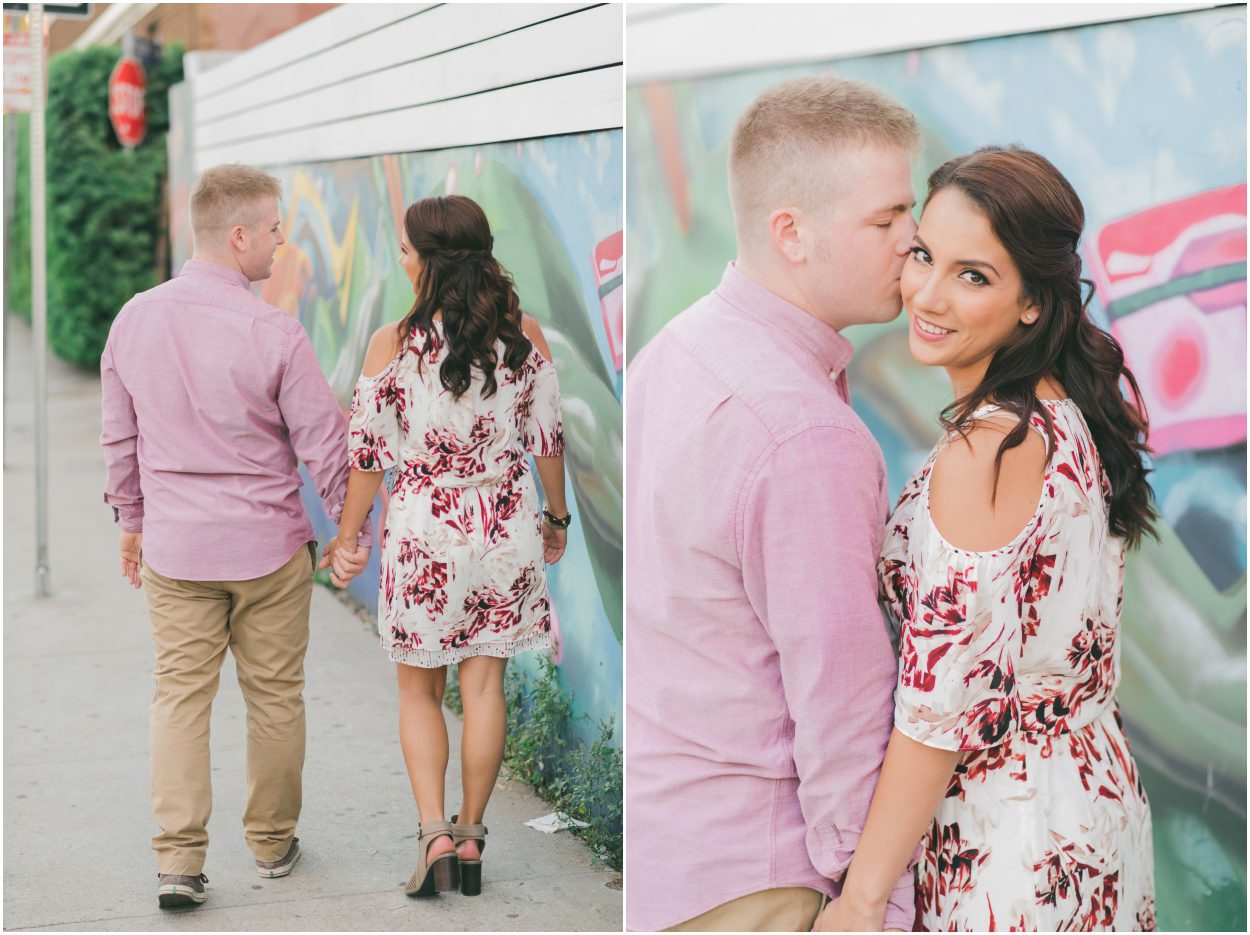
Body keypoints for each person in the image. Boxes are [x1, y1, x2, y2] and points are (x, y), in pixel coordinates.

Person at [815, 146, 1158, 932]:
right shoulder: (1069, 410)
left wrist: (862, 898)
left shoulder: (989, 449)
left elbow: (937, 713)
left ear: (1032, 301)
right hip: (1093, 803)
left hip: (1007, 844)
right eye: (925, 256)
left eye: (974, 276)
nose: (928, 295)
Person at [625, 76, 922, 932]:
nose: (913, 240)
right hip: (759, 879)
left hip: (671, 861)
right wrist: (874, 905)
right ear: (791, 232)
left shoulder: (672, 350)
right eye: (886, 219)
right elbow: (844, 707)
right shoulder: (803, 434)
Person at [100, 164, 372, 909]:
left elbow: (119, 441)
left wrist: (131, 523)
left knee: (179, 698)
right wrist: (353, 533)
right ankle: (273, 840)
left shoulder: (134, 320)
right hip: (267, 550)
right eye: (276, 228)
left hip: (177, 550)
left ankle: (180, 860)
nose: (282, 242)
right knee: (276, 695)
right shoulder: (275, 333)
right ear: (239, 234)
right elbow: (326, 445)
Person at [327, 194, 568, 899]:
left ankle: (432, 829)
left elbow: (369, 457)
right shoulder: (525, 337)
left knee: (419, 687)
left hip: (425, 529)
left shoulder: (392, 343)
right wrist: (556, 518)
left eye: (405, 252)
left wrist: (349, 538)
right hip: (503, 523)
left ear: (429, 261)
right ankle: (471, 835)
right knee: (484, 683)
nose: (400, 263)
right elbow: (548, 441)